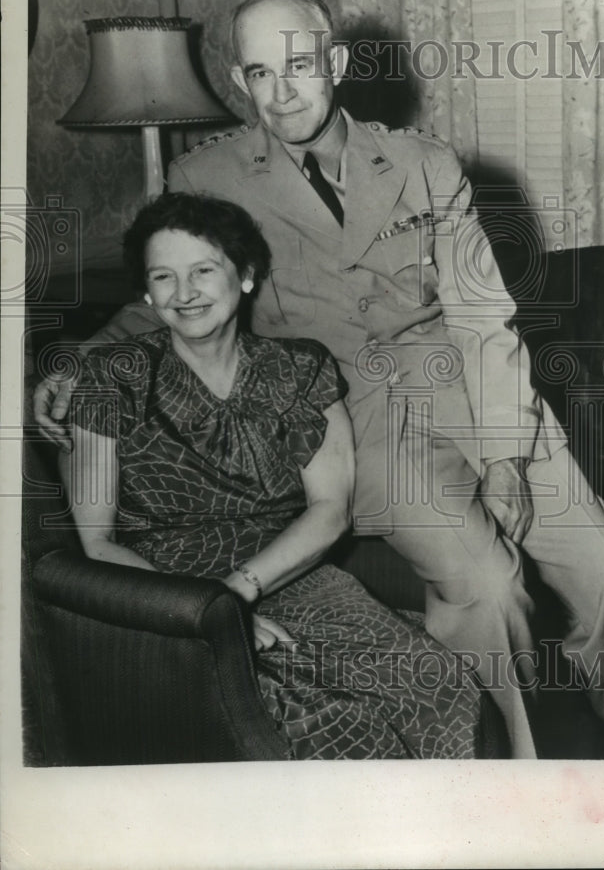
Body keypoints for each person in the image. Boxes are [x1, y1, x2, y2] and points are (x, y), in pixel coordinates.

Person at [37, 0, 604, 759]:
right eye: (261, 73)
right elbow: (172, 295)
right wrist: (77, 359)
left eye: (298, 64)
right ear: (240, 82)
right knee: (485, 587)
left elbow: (480, 315)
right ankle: (506, 784)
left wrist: (505, 452)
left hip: (478, 392)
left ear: (333, 62)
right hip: (362, 423)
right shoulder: (206, 180)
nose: (282, 90)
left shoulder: (422, 163)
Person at [61, 192, 483, 760]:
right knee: (322, 722)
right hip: (163, 596)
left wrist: (237, 593)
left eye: (203, 271)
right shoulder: (108, 377)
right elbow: (97, 541)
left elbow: (329, 509)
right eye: (163, 276)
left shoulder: (302, 368)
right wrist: (212, 614)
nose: (183, 294)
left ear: (248, 275)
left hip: (291, 576)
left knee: (436, 684)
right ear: (146, 291)